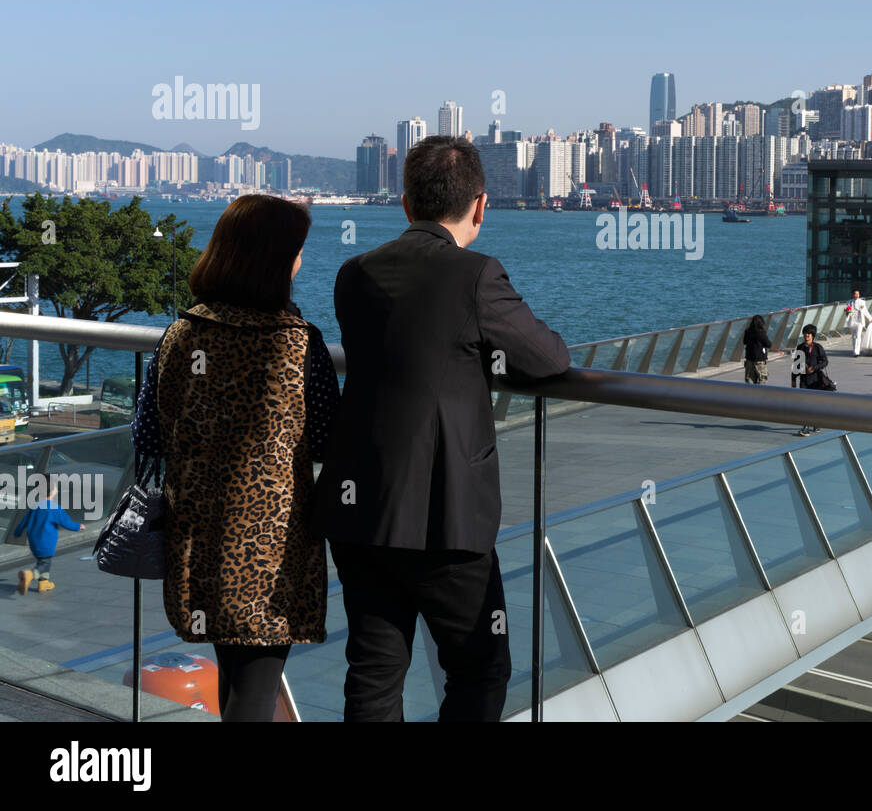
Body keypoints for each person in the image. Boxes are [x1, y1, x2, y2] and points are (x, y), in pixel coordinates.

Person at [312, 137, 570, 722]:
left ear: (405, 204)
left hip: (360, 509)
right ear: (480, 206)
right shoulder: (477, 275)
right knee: (480, 668)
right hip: (445, 516)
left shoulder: (355, 274)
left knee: (374, 672)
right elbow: (548, 358)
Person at [132, 194, 340, 722]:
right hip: (274, 548)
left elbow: (147, 432)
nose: (301, 261)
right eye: (297, 250)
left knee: (233, 671)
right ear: (273, 259)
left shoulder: (182, 334)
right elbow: (326, 436)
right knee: (257, 684)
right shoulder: (298, 343)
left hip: (199, 534)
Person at [14, 481, 84, 595]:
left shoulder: (35, 506)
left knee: (43, 561)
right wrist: (78, 526)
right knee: (45, 563)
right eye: (56, 487)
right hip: (46, 541)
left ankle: (43, 583)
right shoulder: (55, 508)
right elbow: (66, 522)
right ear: (52, 491)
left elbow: (23, 522)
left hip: (33, 540)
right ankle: (30, 575)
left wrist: (17, 533)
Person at [791, 324, 830, 437]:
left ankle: (815, 423)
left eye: (809, 333)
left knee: (815, 403)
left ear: (813, 335)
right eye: (805, 333)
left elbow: (825, 362)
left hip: (816, 380)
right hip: (804, 380)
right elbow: (796, 365)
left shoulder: (818, 348)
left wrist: (814, 368)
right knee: (804, 404)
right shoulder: (800, 347)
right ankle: (806, 427)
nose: (806, 335)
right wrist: (793, 379)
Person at [743, 315, 782, 382]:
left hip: (749, 359)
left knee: (750, 380)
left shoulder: (747, 331)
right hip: (759, 360)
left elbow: (745, 342)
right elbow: (768, 344)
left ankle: (751, 392)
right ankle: (760, 392)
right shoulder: (761, 332)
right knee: (762, 379)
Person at [844, 290, 872, 357]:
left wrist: (870, 319)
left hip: (860, 321)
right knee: (853, 336)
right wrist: (847, 313)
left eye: (858, 294)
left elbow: (865, 311)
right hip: (852, 321)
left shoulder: (862, 302)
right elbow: (847, 312)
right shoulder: (849, 302)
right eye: (855, 294)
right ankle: (854, 349)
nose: (857, 295)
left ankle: (857, 351)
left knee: (858, 336)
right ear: (853, 295)